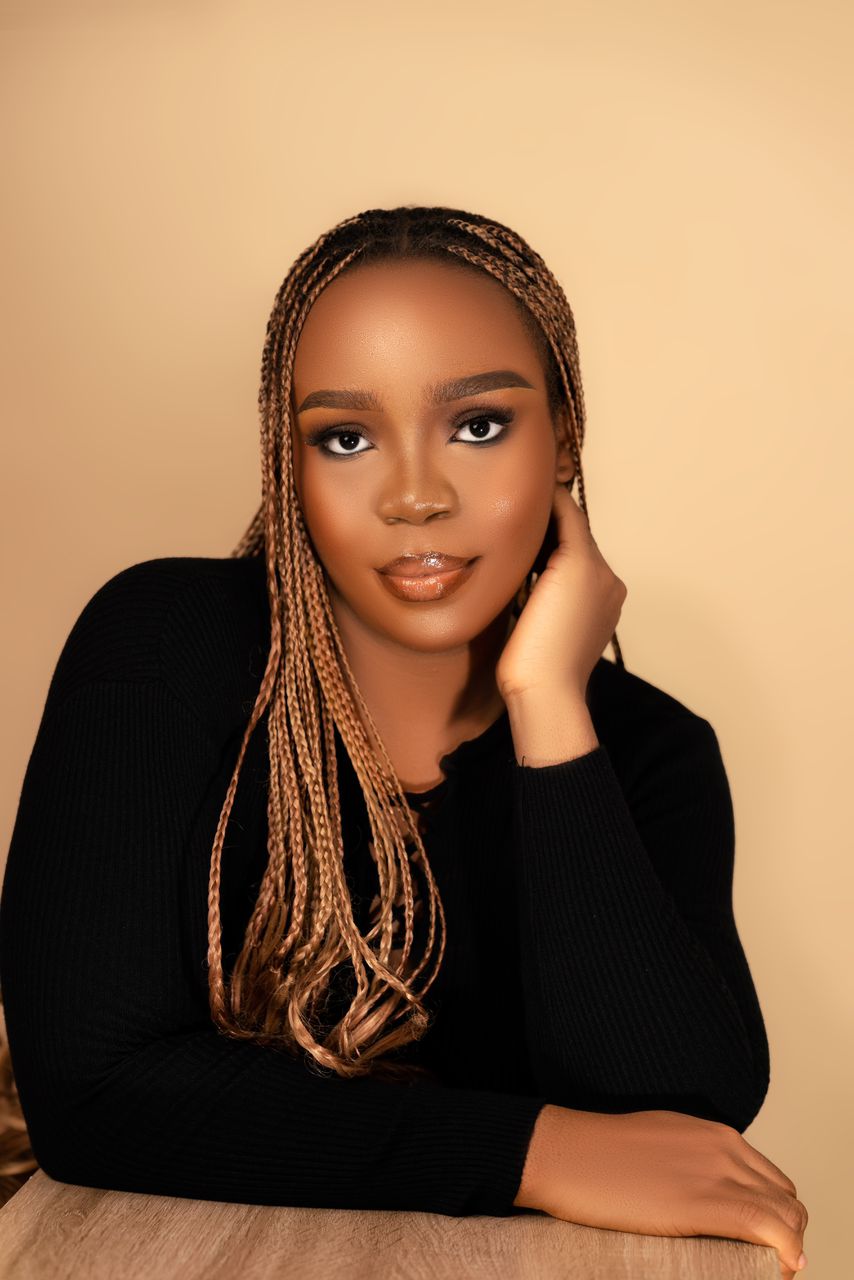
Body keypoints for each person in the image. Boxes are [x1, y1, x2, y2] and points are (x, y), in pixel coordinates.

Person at [0, 205, 808, 1274]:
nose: (415, 497)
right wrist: (535, 1150)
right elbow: (92, 1093)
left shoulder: (647, 749)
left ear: (564, 436)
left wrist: (549, 709)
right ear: (287, 462)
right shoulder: (163, 647)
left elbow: (681, 1114)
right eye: (345, 438)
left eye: (478, 426)